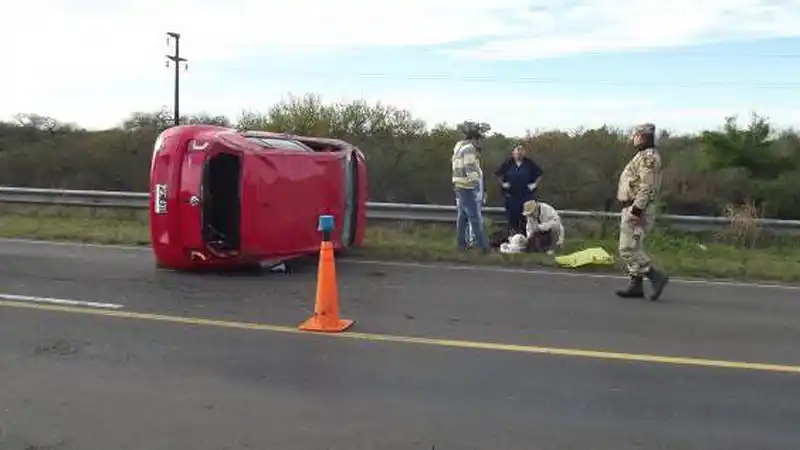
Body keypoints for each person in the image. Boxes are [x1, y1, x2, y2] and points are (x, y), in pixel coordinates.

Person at [615, 123, 669, 300]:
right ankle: (635, 285)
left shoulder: (649, 158)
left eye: (635, 135)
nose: (633, 138)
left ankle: (655, 276)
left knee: (627, 248)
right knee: (633, 246)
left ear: (642, 136)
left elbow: (646, 186)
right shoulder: (641, 156)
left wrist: (636, 210)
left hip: (639, 208)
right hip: (632, 206)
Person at [452, 123, 489, 253]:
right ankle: (482, 247)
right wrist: (476, 185)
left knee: (462, 218)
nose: (479, 143)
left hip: (459, 185)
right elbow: (469, 167)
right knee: (475, 218)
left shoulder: (458, 147)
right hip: (467, 187)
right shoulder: (469, 148)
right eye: (479, 140)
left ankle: (461, 245)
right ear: (474, 139)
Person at [494, 145, 543, 234]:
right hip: (512, 195)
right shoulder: (508, 163)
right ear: (513, 153)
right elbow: (498, 174)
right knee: (513, 218)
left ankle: (527, 237)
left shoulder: (529, 163)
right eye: (517, 152)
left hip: (526, 195)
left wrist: (534, 184)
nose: (519, 154)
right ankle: (513, 237)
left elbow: (540, 174)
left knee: (527, 218)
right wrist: (503, 184)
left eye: (521, 152)